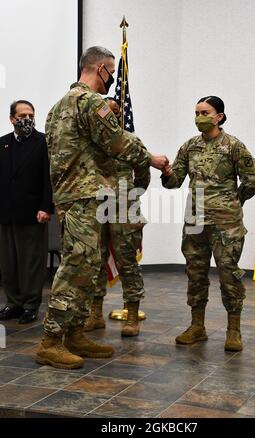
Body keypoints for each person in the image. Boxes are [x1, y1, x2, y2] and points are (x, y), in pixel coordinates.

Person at [36, 46, 168, 369]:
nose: (112, 80)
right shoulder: (90, 102)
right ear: (99, 69)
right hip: (84, 197)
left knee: (89, 264)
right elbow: (117, 142)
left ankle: (75, 333)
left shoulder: (56, 108)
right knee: (78, 265)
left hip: (75, 197)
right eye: (111, 71)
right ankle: (51, 340)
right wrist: (151, 159)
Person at [161, 96, 255, 351]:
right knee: (195, 273)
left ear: (219, 116)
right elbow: (175, 182)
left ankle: (233, 330)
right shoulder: (189, 147)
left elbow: (252, 181)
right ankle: (197, 327)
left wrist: (232, 202)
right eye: (196, 113)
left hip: (225, 223)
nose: (199, 117)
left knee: (229, 274)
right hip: (195, 221)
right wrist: (166, 172)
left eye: (205, 112)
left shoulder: (233, 146)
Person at [84, 97, 150, 336]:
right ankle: (95, 313)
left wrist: (129, 197)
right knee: (95, 260)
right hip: (97, 206)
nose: (108, 116)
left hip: (125, 208)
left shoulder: (130, 141)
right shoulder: (90, 142)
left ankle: (132, 315)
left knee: (127, 261)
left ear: (119, 115)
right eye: (103, 112)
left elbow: (143, 175)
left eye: (112, 112)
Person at [0, 100, 53, 324]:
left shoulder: (43, 142)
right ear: (12, 118)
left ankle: (30, 305)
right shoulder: (2, 143)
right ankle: (13, 303)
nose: (28, 119)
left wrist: (45, 207)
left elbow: (48, 179)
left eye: (31, 115)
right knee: (8, 262)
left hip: (33, 213)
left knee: (31, 263)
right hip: (6, 213)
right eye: (23, 115)